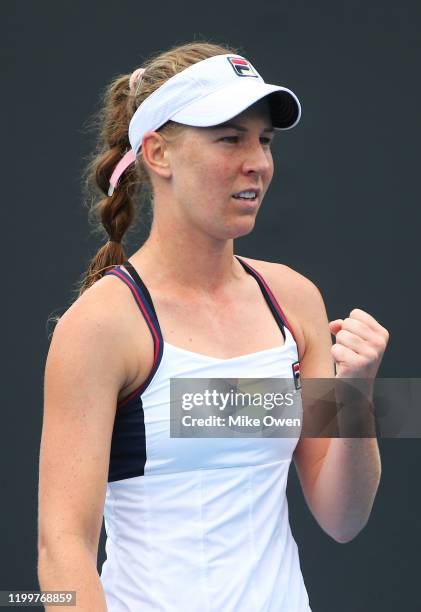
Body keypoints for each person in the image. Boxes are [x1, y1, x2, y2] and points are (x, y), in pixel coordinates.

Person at [37, 41, 389, 611]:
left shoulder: (294, 300)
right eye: (230, 138)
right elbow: (61, 549)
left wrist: (356, 395)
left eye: (265, 140)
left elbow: (342, 517)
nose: (259, 161)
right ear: (157, 153)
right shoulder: (100, 326)